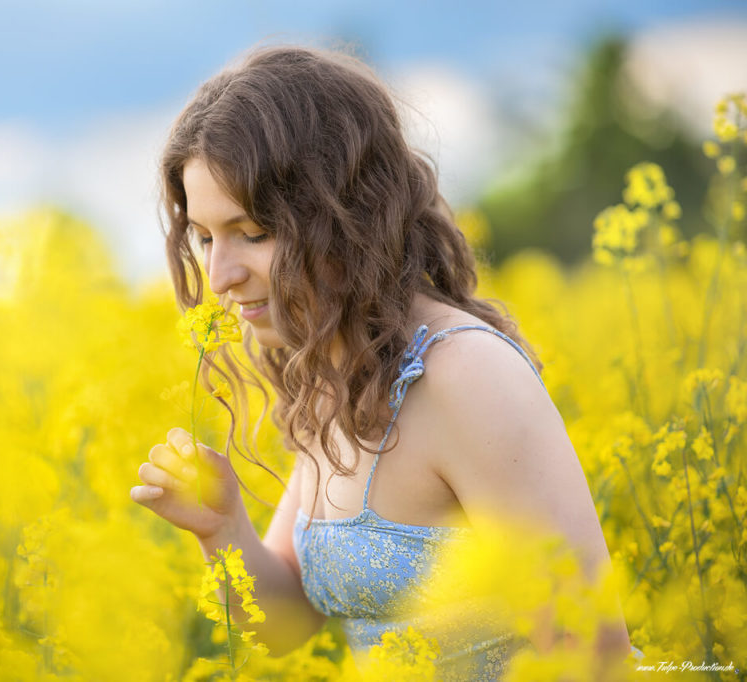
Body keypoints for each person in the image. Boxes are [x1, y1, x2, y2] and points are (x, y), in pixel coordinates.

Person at [130, 45, 634, 678]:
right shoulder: (334, 375)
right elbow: (285, 625)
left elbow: (595, 654)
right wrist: (223, 527)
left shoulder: (464, 376)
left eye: (254, 232)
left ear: (345, 213)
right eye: (205, 238)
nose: (221, 276)